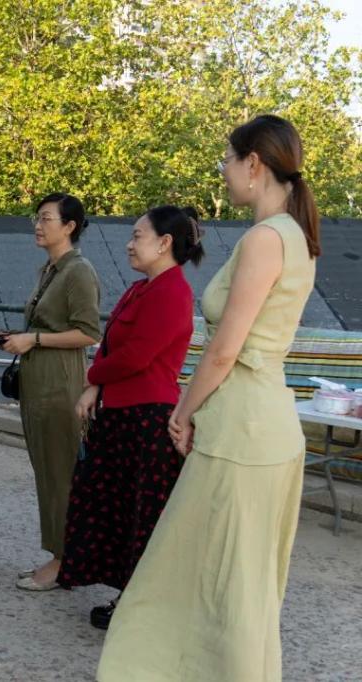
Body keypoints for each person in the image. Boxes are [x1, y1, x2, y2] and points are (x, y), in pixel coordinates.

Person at [98, 114, 320, 682]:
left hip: (241, 429)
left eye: (227, 160)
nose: (223, 171)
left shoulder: (266, 239)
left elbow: (224, 350)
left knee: (211, 578)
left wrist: (183, 410)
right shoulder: (297, 237)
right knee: (239, 582)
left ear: (253, 164)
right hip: (266, 422)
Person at [58, 205, 204, 629]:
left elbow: (138, 355)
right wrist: (96, 386)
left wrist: (91, 376)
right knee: (119, 510)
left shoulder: (173, 291)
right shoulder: (142, 288)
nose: (129, 244)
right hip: (123, 415)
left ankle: (141, 607)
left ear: (164, 243)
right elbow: (111, 346)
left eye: (138, 236)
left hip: (148, 420)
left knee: (144, 515)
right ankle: (130, 598)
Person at [2, 192, 101, 591]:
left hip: (60, 384)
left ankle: (63, 562)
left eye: (46, 218)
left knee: (61, 475)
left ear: (69, 226)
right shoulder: (50, 269)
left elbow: (89, 332)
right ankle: (58, 555)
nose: (37, 225)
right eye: (37, 218)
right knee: (47, 471)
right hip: (37, 381)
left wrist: (35, 339)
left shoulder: (78, 271)